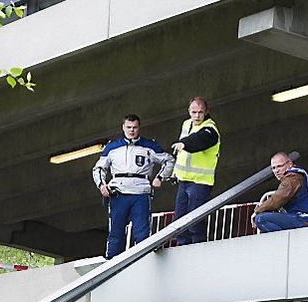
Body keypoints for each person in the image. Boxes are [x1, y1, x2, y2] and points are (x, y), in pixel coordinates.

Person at [92, 114, 175, 259]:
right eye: (129, 127)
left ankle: (143, 262)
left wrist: (160, 177)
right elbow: (98, 168)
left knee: (142, 233)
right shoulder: (112, 147)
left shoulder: (149, 146)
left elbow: (169, 160)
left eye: (135, 127)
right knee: (115, 233)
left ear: (139, 128)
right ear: (123, 127)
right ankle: (111, 265)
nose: (132, 130)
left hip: (141, 193)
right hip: (118, 193)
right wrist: (101, 185)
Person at [170, 97, 220, 246]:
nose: (197, 116)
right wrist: (175, 173)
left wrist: (184, 143)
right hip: (184, 180)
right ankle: (182, 245)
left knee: (194, 221)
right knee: (179, 220)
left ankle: (197, 247)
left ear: (206, 112)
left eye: (200, 112)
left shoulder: (210, 129)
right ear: (189, 111)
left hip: (200, 181)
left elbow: (199, 140)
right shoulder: (186, 124)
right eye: (194, 112)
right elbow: (182, 156)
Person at [252, 152, 308, 232]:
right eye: (273, 168)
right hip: (305, 219)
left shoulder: (293, 177)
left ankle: (283, 243)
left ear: (290, 164)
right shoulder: (294, 176)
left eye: (279, 166)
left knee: (261, 219)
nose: (276, 171)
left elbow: (278, 199)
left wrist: (257, 211)